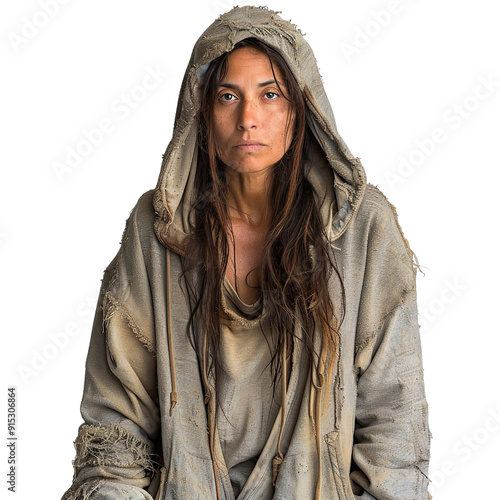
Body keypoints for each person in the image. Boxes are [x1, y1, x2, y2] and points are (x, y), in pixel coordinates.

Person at [62, 6, 431, 500]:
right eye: (228, 96)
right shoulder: (154, 234)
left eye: (270, 94)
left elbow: (394, 432)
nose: (248, 119)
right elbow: (117, 432)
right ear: (202, 111)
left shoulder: (362, 231)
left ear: (300, 110)